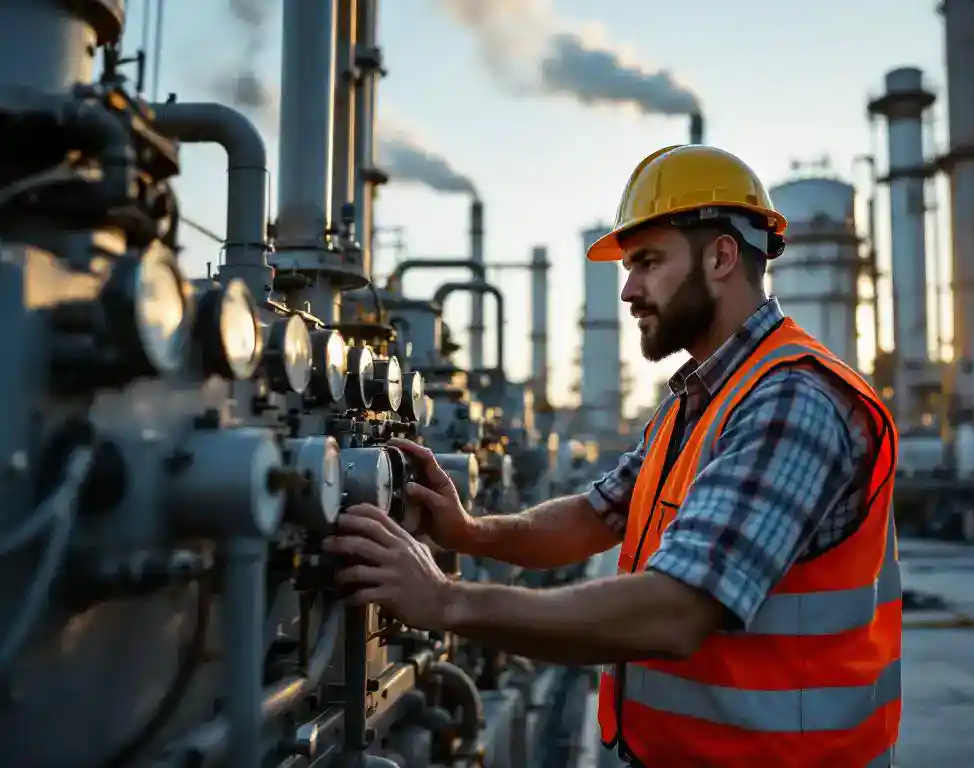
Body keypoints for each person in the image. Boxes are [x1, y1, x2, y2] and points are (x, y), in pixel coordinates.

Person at [324, 145, 902, 767]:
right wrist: (470, 531)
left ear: (722, 257)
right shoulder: (702, 396)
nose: (628, 290)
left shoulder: (791, 399)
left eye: (648, 262)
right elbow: (596, 516)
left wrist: (448, 603)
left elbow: (676, 612)